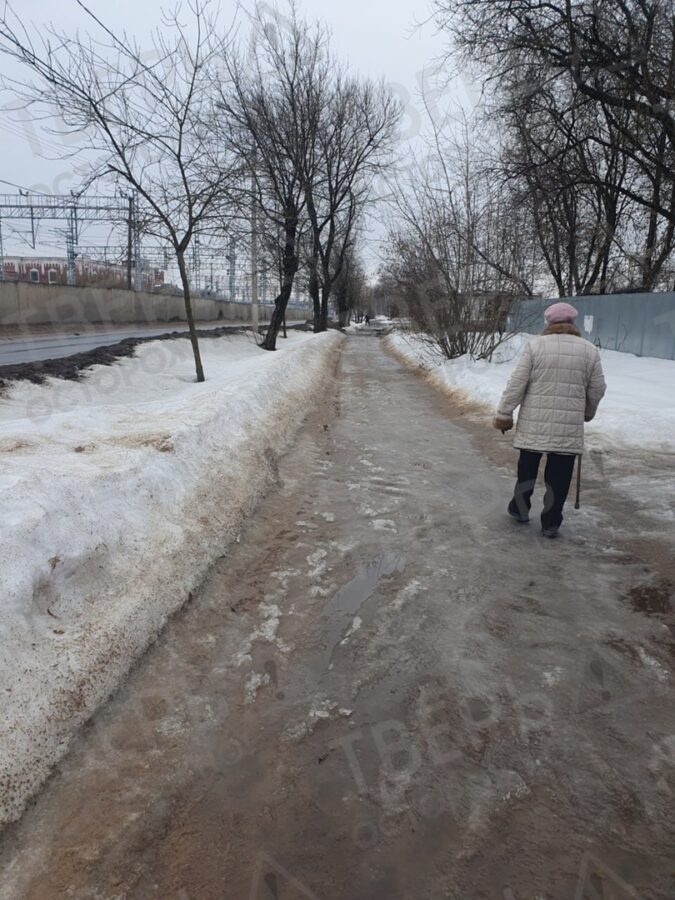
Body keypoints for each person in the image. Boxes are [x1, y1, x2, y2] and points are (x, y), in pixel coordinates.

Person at [494, 301, 607, 539]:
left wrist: (505, 413)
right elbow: (597, 388)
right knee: (559, 476)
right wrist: (588, 411)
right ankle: (551, 522)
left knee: (527, 470)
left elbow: (517, 383)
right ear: (572, 323)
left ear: (549, 323)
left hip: (534, 424)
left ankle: (520, 509)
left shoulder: (535, 347)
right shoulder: (588, 350)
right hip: (567, 427)